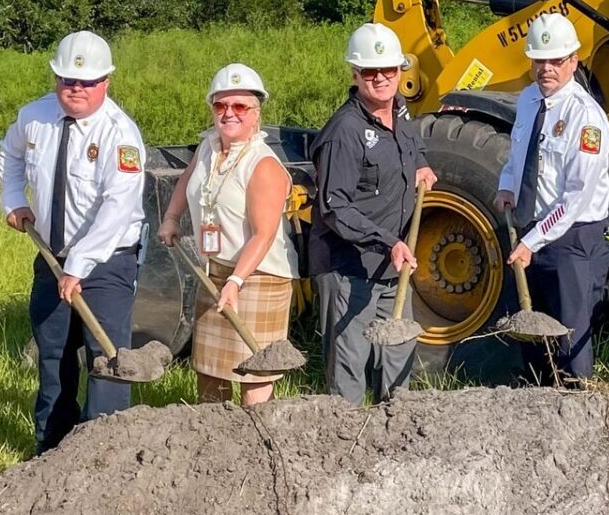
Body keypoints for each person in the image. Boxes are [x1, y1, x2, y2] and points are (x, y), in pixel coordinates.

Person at [0, 30, 147, 453]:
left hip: (106, 264)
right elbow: (9, 155)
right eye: (66, 80)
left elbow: (119, 209)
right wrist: (12, 200)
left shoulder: (120, 135)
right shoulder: (34, 117)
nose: (75, 89)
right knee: (53, 356)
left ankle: (103, 455)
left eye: (86, 82)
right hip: (51, 256)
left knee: (107, 363)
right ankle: (50, 452)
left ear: (106, 82)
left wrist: (80, 264)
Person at [158, 63, 299, 406]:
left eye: (239, 107)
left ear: (256, 113)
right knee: (209, 369)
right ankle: (216, 445)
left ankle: (258, 444)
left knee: (253, 373)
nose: (229, 113)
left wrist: (236, 281)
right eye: (221, 106)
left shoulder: (263, 165)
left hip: (260, 277)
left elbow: (263, 236)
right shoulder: (209, 147)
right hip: (216, 269)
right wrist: (172, 218)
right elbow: (185, 179)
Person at [310, 23, 436, 403]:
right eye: (370, 71)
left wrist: (421, 165)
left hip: (393, 265)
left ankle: (396, 434)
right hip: (351, 266)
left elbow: (411, 149)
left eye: (388, 70)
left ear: (400, 72)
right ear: (355, 74)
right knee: (349, 365)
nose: (380, 78)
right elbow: (334, 207)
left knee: (399, 358)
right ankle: (345, 442)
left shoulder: (401, 112)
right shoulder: (344, 132)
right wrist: (388, 241)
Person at [495, 11, 609, 384]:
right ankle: (536, 404)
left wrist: (530, 241)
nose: (546, 68)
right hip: (533, 230)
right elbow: (520, 154)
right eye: (539, 60)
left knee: (569, 339)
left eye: (556, 61)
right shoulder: (529, 99)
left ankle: (576, 409)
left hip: (571, 241)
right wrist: (507, 184)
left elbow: (575, 197)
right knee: (532, 332)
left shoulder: (586, 119)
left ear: (573, 61)